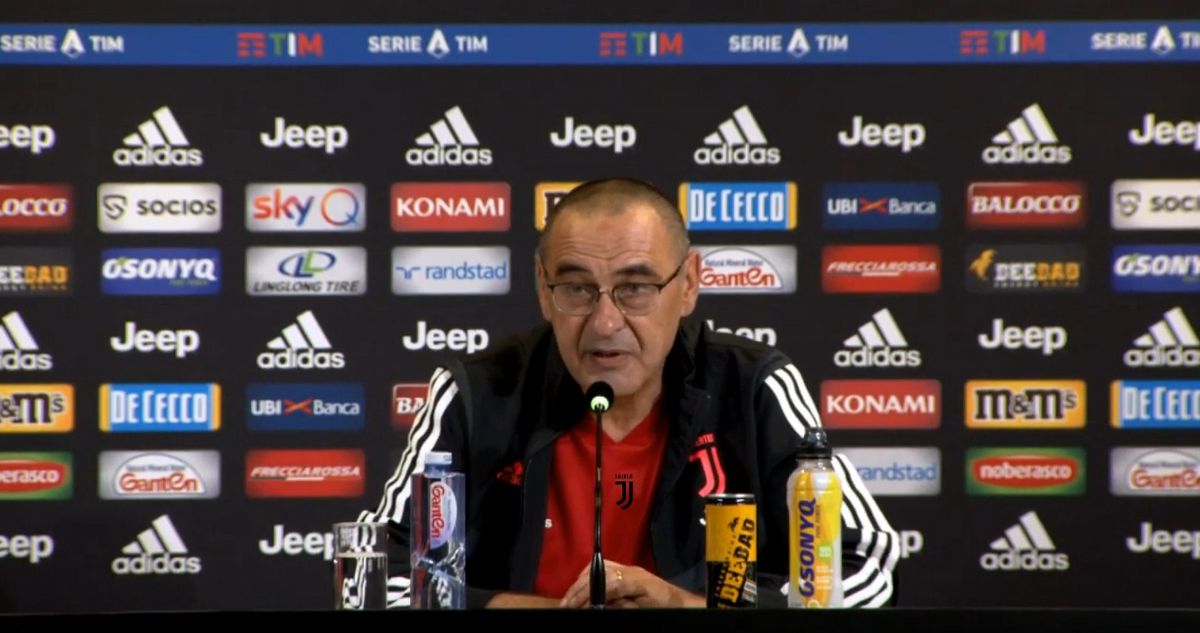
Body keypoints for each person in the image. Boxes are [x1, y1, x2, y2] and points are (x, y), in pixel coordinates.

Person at [360, 178, 900, 608]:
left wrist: (680, 605)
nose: (605, 322)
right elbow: (373, 574)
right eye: (577, 288)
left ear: (689, 284)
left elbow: (866, 571)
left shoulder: (752, 387)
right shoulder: (477, 394)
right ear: (543, 289)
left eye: (635, 288)